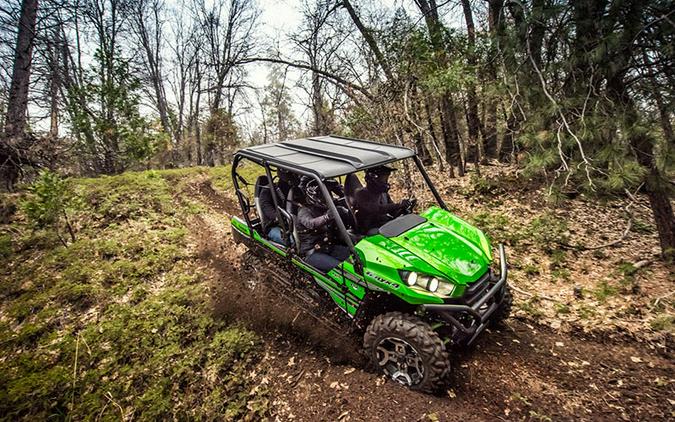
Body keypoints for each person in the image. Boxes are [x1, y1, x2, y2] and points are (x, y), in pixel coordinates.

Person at [296, 177, 351, 272]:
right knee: (342, 270)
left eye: (329, 194)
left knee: (355, 257)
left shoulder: (324, 208)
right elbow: (311, 223)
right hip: (313, 252)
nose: (328, 197)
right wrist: (327, 216)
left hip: (329, 247)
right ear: (315, 196)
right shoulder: (303, 211)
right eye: (324, 195)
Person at [353, 165, 415, 235]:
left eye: (386, 178)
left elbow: (392, 211)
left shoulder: (383, 193)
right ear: (374, 178)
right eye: (383, 179)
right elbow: (377, 209)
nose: (386, 182)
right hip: (371, 228)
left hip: (384, 224)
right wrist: (398, 205)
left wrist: (403, 209)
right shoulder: (361, 193)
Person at [259, 168, 297, 245]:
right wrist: (279, 217)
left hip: (291, 223)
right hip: (273, 226)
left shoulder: (292, 190)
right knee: (294, 242)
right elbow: (267, 208)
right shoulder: (267, 191)